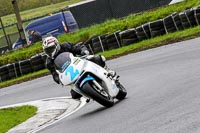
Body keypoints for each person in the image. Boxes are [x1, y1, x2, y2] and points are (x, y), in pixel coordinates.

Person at [42, 36, 116, 100]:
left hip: (80, 62)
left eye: (51, 49)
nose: (49, 52)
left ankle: (108, 71)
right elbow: (54, 74)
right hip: (71, 74)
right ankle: (90, 93)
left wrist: (84, 51)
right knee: (74, 95)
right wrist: (58, 79)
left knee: (97, 58)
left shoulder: (66, 46)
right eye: (47, 50)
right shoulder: (49, 62)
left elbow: (79, 47)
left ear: (56, 45)